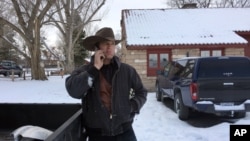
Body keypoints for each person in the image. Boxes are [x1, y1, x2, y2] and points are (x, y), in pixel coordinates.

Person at [65, 27, 147, 141]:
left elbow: (141, 92)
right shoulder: (85, 71)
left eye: (112, 43)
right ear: (97, 47)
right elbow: (73, 90)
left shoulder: (127, 71)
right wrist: (94, 69)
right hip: (97, 134)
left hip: (124, 131)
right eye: (105, 43)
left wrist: (132, 106)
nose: (109, 47)